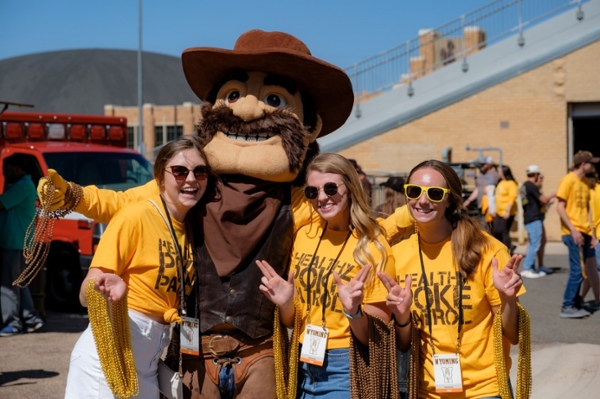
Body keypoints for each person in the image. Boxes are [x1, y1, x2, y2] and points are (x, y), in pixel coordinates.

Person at [38, 29, 364, 399]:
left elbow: (343, 219)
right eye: (234, 95)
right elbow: (124, 203)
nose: (247, 109)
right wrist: (72, 195)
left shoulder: (297, 201)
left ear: (308, 127)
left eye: (274, 99)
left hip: (261, 351)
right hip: (197, 350)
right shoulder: (196, 186)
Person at [64, 136, 218, 398]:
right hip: (109, 355)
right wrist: (104, 289)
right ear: (159, 178)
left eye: (199, 171)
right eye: (180, 171)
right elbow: (84, 293)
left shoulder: (192, 227)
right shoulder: (134, 217)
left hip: (150, 356)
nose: (191, 179)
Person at [377, 159, 530, 399]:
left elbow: (512, 335)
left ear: (450, 199)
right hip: (426, 390)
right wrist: (402, 317)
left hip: (484, 389)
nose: (423, 201)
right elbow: (404, 345)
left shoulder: (487, 250)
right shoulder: (397, 254)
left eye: (435, 193)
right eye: (414, 191)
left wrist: (507, 299)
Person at [255, 153, 398, 398]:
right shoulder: (304, 236)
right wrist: (287, 303)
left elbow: (374, 336)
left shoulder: (373, 246)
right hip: (301, 360)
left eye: (331, 188)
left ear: (351, 188)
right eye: (312, 192)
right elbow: (292, 320)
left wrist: (353, 311)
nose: (322, 197)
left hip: (344, 366)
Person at [0, 154, 45, 337]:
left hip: (15, 242)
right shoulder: (23, 185)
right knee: (19, 282)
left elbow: (1, 203)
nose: (4, 173)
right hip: (18, 242)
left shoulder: (23, 186)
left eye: (7, 169)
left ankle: (12, 322)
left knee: (9, 285)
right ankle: (31, 318)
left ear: (18, 169)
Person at [556, 150, 600, 318]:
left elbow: (588, 211)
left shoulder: (585, 183)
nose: (593, 166)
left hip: (586, 233)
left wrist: (593, 235)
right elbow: (560, 207)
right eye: (591, 163)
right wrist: (573, 230)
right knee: (577, 270)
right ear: (583, 164)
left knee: (588, 269)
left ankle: (577, 303)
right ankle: (567, 305)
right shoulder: (568, 180)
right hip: (573, 232)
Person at [519, 165, 556, 278]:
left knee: (537, 242)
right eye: (538, 175)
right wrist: (551, 196)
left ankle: (536, 266)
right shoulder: (531, 186)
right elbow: (543, 199)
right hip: (533, 218)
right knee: (534, 244)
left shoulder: (525, 186)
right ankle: (526, 268)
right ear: (535, 174)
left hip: (531, 217)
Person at [463, 156, 499, 230]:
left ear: (489, 165)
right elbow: (478, 189)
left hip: (491, 207)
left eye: (483, 164)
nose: (481, 166)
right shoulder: (481, 175)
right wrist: (468, 201)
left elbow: (491, 191)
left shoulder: (494, 175)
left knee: (492, 229)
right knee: (483, 228)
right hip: (482, 206)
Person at [491, 165, 518, 254]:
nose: (498, 173)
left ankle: (509, 248)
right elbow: (497, 197)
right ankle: (504, 247)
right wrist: (494, 208)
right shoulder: (501, 182)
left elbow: (512, 198)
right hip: (499, 211)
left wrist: (507, 211)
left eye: (499, 171)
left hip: (507, 212)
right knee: (495, 230)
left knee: (503, 230)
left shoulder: (511, 183)